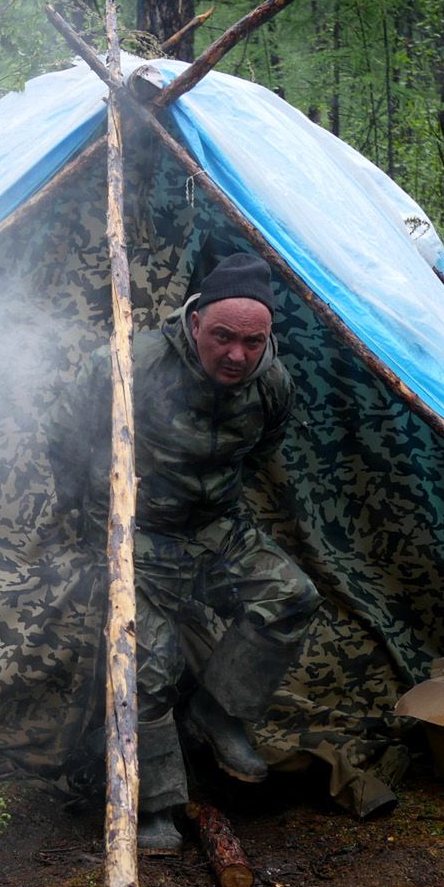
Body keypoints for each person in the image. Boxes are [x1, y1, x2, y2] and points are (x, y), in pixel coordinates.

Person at [50, 252, 319, 854]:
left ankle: (220, 710)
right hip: (136, 529)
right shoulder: (131, 365)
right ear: (195, 322)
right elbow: (67, 439)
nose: (236, 355)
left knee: (291, 596)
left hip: (216, 529)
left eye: (253, 342)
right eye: (223, 337)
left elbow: (263, 445)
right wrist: (101, 521)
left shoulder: (272, 383)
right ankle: (156, 803)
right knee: (150, 662)